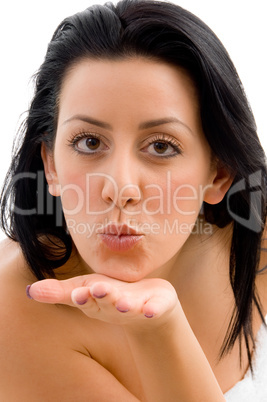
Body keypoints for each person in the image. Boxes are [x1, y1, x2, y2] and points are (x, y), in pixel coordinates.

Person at [0, 0, 266, 400]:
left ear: (219, 173)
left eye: (161, 146)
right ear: (51, 165)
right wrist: (160, 330)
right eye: (89, 142)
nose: (120, 187)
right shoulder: (15, 313)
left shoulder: (255, 235)